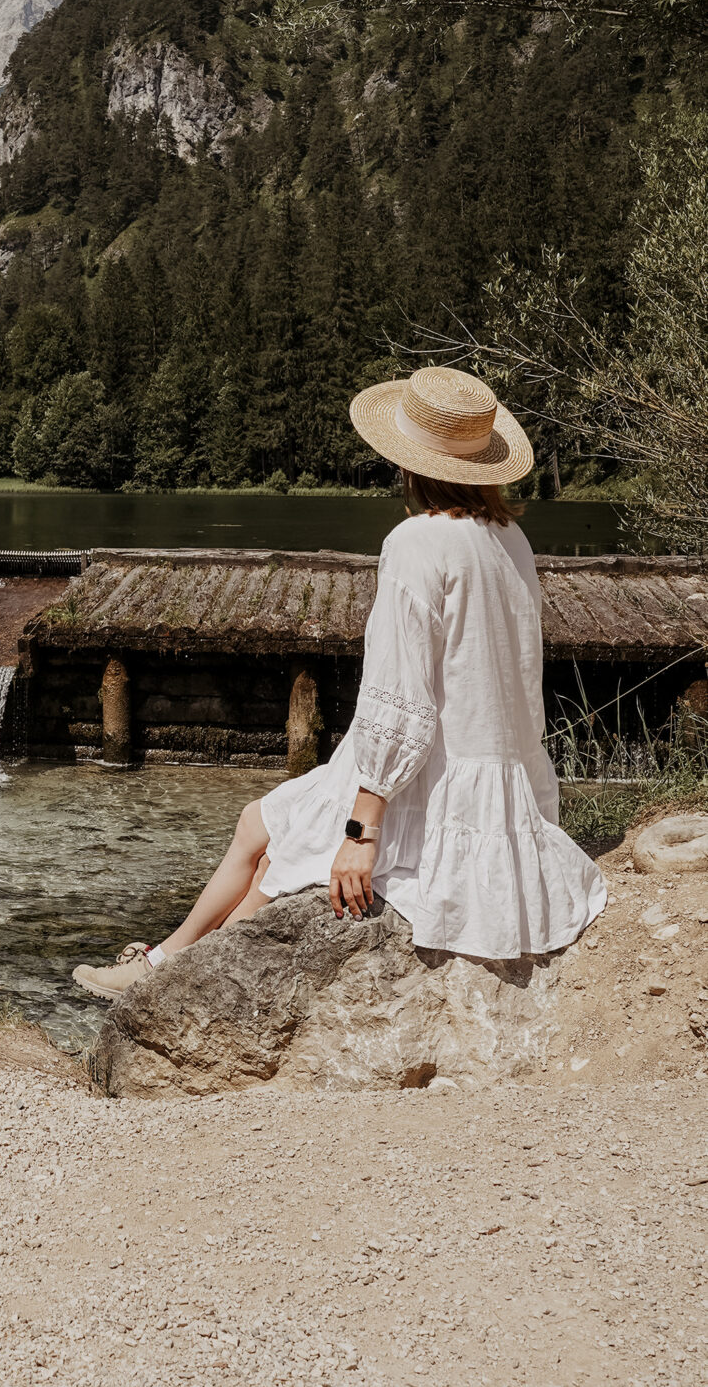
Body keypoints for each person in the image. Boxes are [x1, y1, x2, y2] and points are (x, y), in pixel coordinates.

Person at [73, 365, 608, 997]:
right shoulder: (510, 538)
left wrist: (362, 833)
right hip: (486, 767)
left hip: (429, 777)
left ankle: (170, 984)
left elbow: (401, 698)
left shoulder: (416, 542)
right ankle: (163, 961)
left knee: (275, 860)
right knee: (257, 822)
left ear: (409, 462)